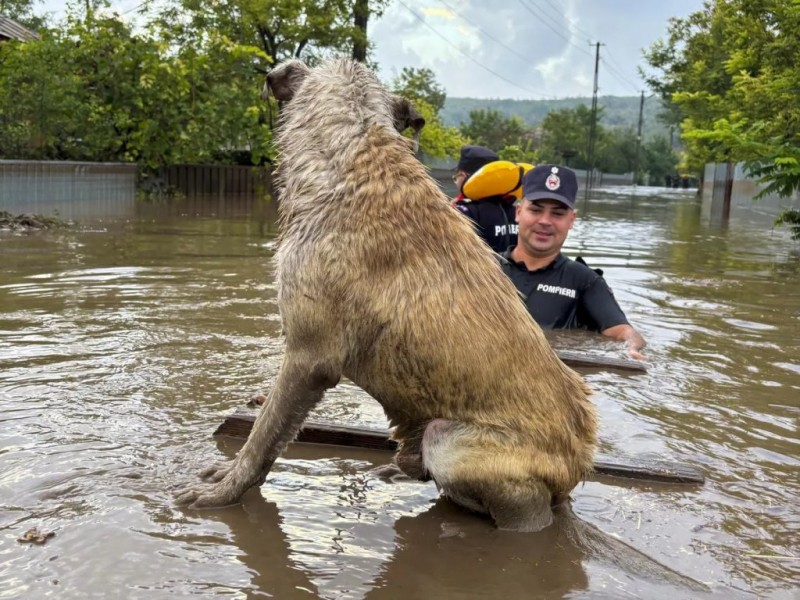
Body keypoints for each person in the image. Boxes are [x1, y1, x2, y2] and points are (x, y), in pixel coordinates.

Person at [498, 164, 647, 359]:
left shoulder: (583, 280)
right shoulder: (483, 267)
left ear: (572, 220)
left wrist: (632, 348)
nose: (545, 221)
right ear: (518, 213)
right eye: (535, 210)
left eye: (557, 214)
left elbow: (623, 331)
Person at [452, 145, 518, 253]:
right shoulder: (515, 211)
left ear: (464, 176)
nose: (456, 181)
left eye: (456, 177)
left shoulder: (466, 211)